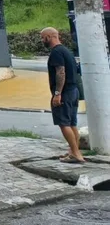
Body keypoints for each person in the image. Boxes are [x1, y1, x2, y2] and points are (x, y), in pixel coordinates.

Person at [40, 27, 85, 164]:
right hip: (73, 91)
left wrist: (57, 93)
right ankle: (73, 151)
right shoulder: (66, 51)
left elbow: (61, 72)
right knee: (71, 123)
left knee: (63, 123)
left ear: (50, 36)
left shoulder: (56, 52)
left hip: (64, 92)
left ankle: (76, 154)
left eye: (43, 37)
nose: (42, 40)